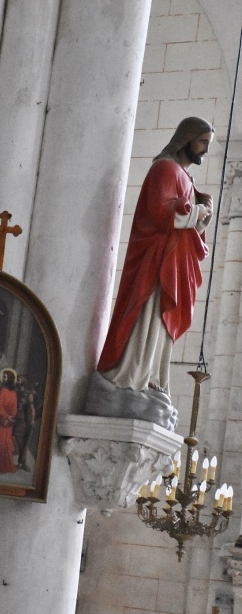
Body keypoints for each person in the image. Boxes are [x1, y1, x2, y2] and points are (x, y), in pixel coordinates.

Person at [88, 117, 214, 429]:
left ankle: (151, 382)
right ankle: (128, 379)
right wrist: (197, 211)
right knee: (147, 320)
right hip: (155, 267)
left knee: (159, 327)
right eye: (202, 143)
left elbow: (185, 220)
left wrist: (201, 215)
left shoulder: (184, 177)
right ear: (186, 139)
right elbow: (162, 213)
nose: (205, 151)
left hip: (172, 264)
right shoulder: (164, 169)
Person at [13, 374, 35, 471]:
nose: (17, 381)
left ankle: (22, 463)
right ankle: (22, 462)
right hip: (16, 418)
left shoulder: (28, 393)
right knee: (19, 441)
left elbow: (31, 408)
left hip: (25, 419)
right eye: (16, 379)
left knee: (25, 442)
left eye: (18, 379)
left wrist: (33, 420)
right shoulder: (15, 392)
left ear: (23, 380)